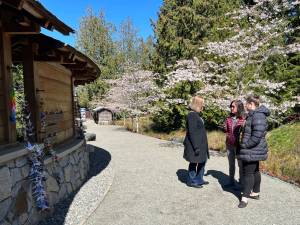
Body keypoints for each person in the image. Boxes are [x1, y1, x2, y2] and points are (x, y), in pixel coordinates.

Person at [237, 95, 270, 208]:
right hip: (254, 149)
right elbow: (252, 131)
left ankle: (244, 199)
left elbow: (256, 135)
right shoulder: (253, 115)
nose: (245, 105)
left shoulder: (258, 115)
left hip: (252, 149)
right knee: (255, 170)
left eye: (247, 103)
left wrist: (246, 145)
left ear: (252, 104)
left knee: (248, 173)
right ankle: (255, 192)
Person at [183, 96, 210, 188]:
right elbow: (192, 132)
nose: (203, 106)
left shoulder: (196, 115)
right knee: (194, 162)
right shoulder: (192, 115)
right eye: (202, 104)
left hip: (201, 144)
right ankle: (191, 181)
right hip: (195, 145)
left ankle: (199, 179)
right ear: (198, 104)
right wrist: (196, 147)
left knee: (203, 161)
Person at [224, 100, 245, 186]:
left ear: (239, 108)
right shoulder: (228, 118)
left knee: (241, 165)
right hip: (229, 144)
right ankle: (231, 181)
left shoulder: (244, 119)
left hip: (240, 146)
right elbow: (227, 130)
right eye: (231, 106)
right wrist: (224, 128)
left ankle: (241, 183)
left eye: (233, 106)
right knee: (231, 164)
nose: (231, 108)